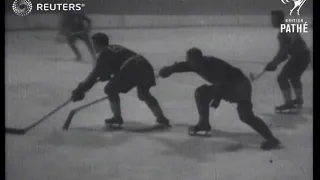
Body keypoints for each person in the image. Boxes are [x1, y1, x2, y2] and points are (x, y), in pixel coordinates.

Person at [158, 47, 280, 150]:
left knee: (246, 116)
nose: (191, 64)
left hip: (240, 86)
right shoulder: (195, 64)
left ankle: (272, 139)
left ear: (200, 59)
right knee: (201, 93)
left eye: (193, 61)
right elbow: (182, 66)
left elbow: (224, 82)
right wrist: (168, 70)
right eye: (189, 61)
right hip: (229, 86)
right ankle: (204, 123)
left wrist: (217, 99)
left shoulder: (212, 64)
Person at [71, 32, 170, 128]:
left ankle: (117, 117)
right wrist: (107, 75)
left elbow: (94, 76)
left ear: (98, 44)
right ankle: (161, 117)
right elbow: (115, 66)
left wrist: (80, 90)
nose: (93, 47)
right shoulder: (115, 47)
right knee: (144, 93)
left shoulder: (104, 54)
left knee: (110, 89)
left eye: (94, 44)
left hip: (132, 67)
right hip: (145, 65)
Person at [264, 10, 311, 112]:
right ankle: (299, 100)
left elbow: (283, 52)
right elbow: (285, 54)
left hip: (298, 56)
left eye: (274, 19)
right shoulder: (288, 27)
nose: (272, 21)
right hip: (305, 55)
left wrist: (273, 63)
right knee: (294, 76)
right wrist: (275, 63)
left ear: (280, 20)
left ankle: (288, 103)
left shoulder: (282, 32)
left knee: (282, 77)